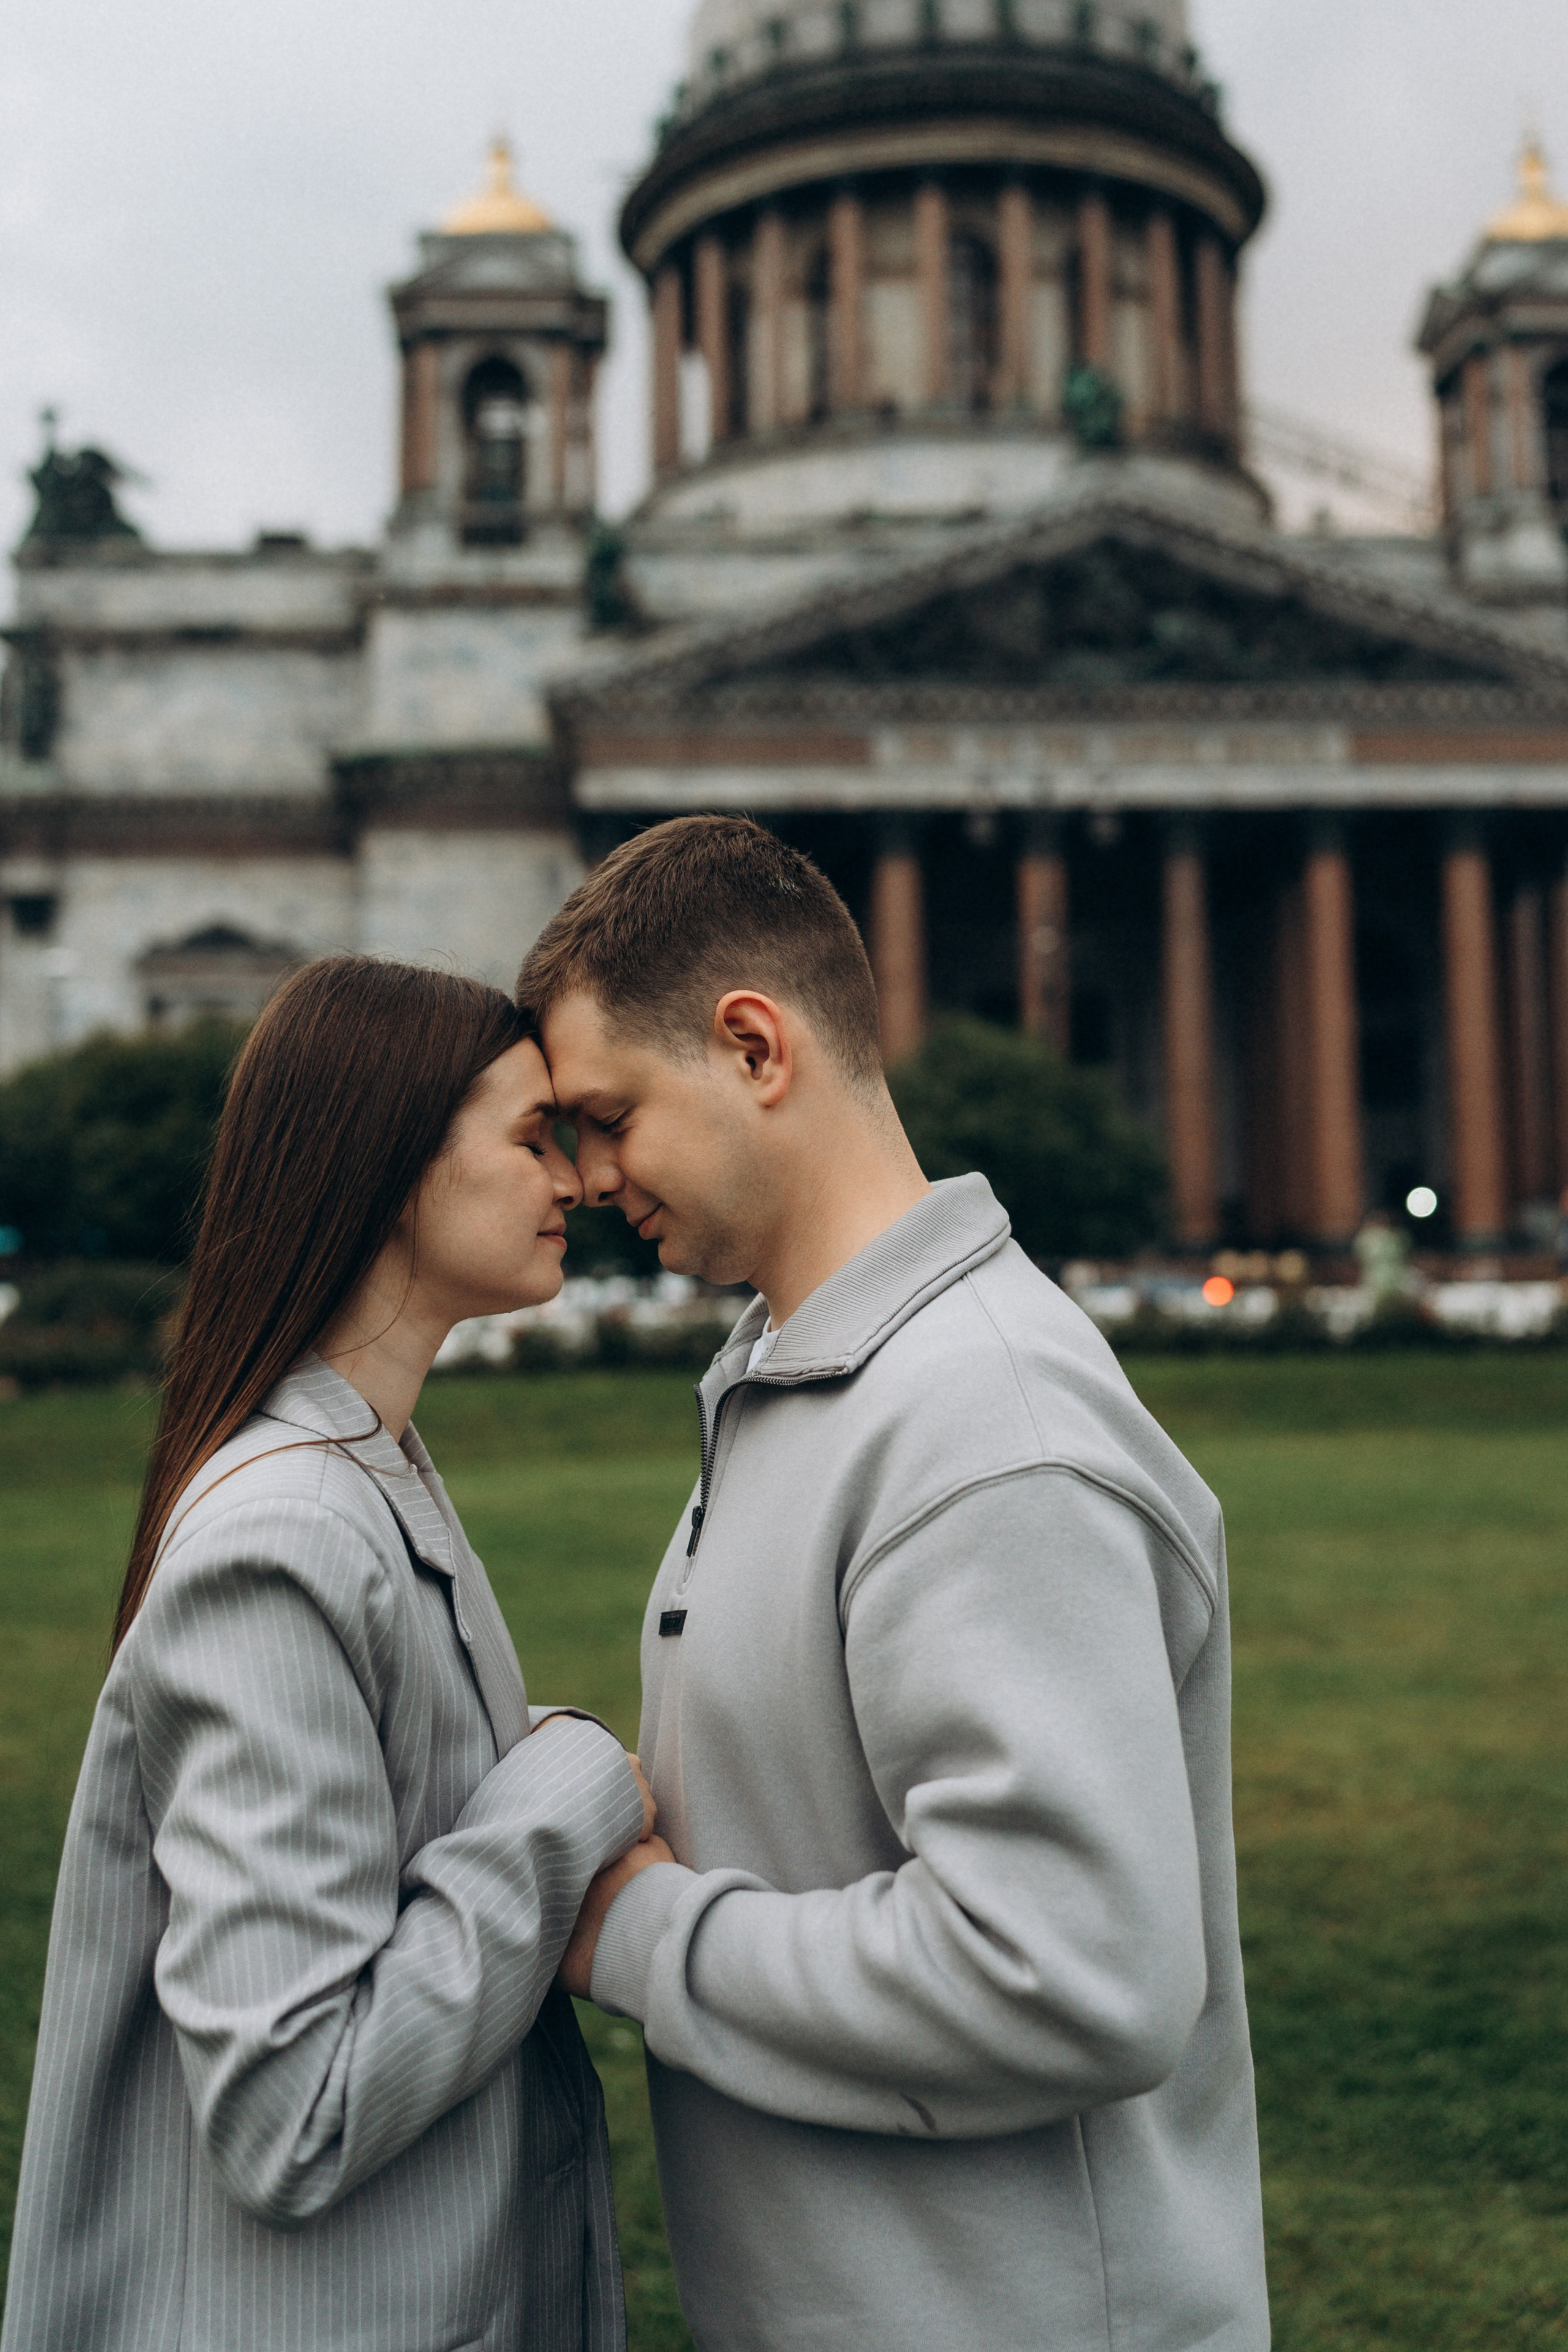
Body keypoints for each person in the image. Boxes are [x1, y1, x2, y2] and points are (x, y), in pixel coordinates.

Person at [524, 817, 1270, 2352]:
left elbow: (1072, 1978)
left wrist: (639, 1935)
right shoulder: (818, 1381)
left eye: (607, 1116)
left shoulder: (982, 1426)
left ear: (751, 1048)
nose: (588, 1178)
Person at [2, 957, 671, 2352]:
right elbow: (289, 2111)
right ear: (393, 1162)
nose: (579, 1178)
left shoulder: (368, 1473)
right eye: (530, 1135)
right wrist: (568, 1795)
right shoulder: (285, 1536)